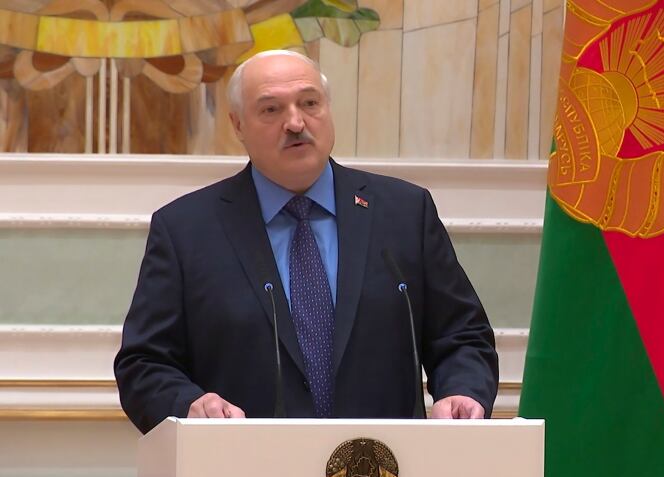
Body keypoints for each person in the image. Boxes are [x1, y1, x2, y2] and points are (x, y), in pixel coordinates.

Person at [114, 50, 498, 434]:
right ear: (238, 125)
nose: (295, 122)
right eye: (271, 110)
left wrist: (463, 391)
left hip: (383, 476)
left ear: (328, 110)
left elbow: (461, 335)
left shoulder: (404, 213)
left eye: (309, 103)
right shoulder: (186, 229)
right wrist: (189, 405)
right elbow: (144, 363)